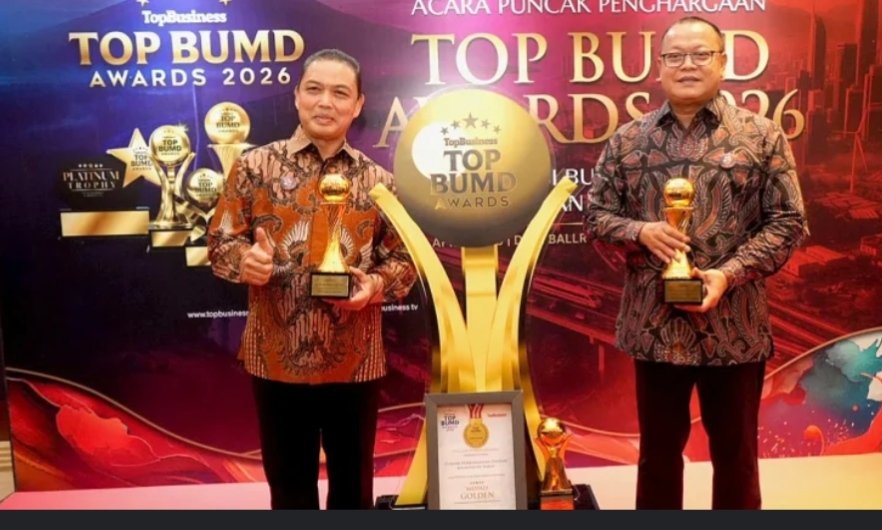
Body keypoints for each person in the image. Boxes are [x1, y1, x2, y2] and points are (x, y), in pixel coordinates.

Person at [584, 16, 808, 509]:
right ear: (659, 66)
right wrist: (640, 231)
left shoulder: (762, 136)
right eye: (675, 56)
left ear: (723, 63)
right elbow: (596, 216)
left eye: (701, 54)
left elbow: (789, 222)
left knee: (736, 456)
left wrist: (728, 274)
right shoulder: (628, 140)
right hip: (654, 326)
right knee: (658, 456)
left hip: (736, 325)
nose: (687, 65)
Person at [207, 48, 416, 510]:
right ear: (297, 96)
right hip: (275, 356)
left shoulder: (379, 181)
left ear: (357, 105)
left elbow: (404, 259)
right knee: (288, 491)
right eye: (314, 89)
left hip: (355, 359)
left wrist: (374, 286)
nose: (325, 102)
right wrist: (244, 262)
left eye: (340, 93)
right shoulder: (255, 167)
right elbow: (220, 242)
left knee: (354, 491)